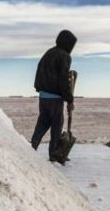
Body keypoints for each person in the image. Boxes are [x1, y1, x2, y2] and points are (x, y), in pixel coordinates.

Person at [30, 29, 77, 162]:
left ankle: (31, 147)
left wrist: (39, 88)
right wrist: (70, 100)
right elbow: (63, 79)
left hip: (43, 96)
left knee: (43, 122)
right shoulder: (64, 56)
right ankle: (54, 154)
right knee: (57, 125)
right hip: (55, 98)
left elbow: (39, 70)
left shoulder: (49, 52)